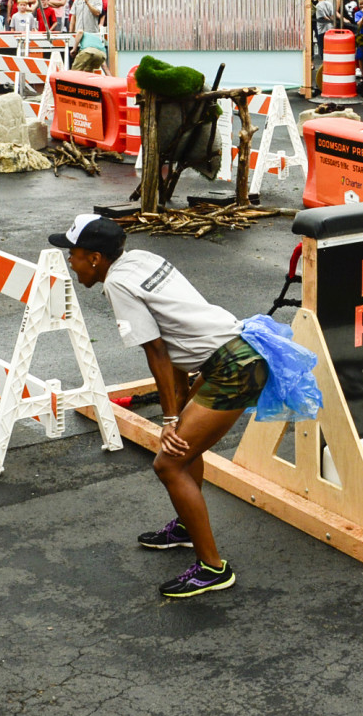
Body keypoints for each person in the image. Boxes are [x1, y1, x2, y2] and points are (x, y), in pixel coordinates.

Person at [50, 213, 265, 599]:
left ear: (96, 258)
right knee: (186, 448)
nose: (71, 261)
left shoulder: (117, 283)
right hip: (233, 351)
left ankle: (213, 569)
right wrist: (178, 407)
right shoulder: (140, 259)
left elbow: (158, 352)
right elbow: (173, 336)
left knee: (168, 462)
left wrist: (169, 419)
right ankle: (186, 527)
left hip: (231, 367)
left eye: (75, 254)